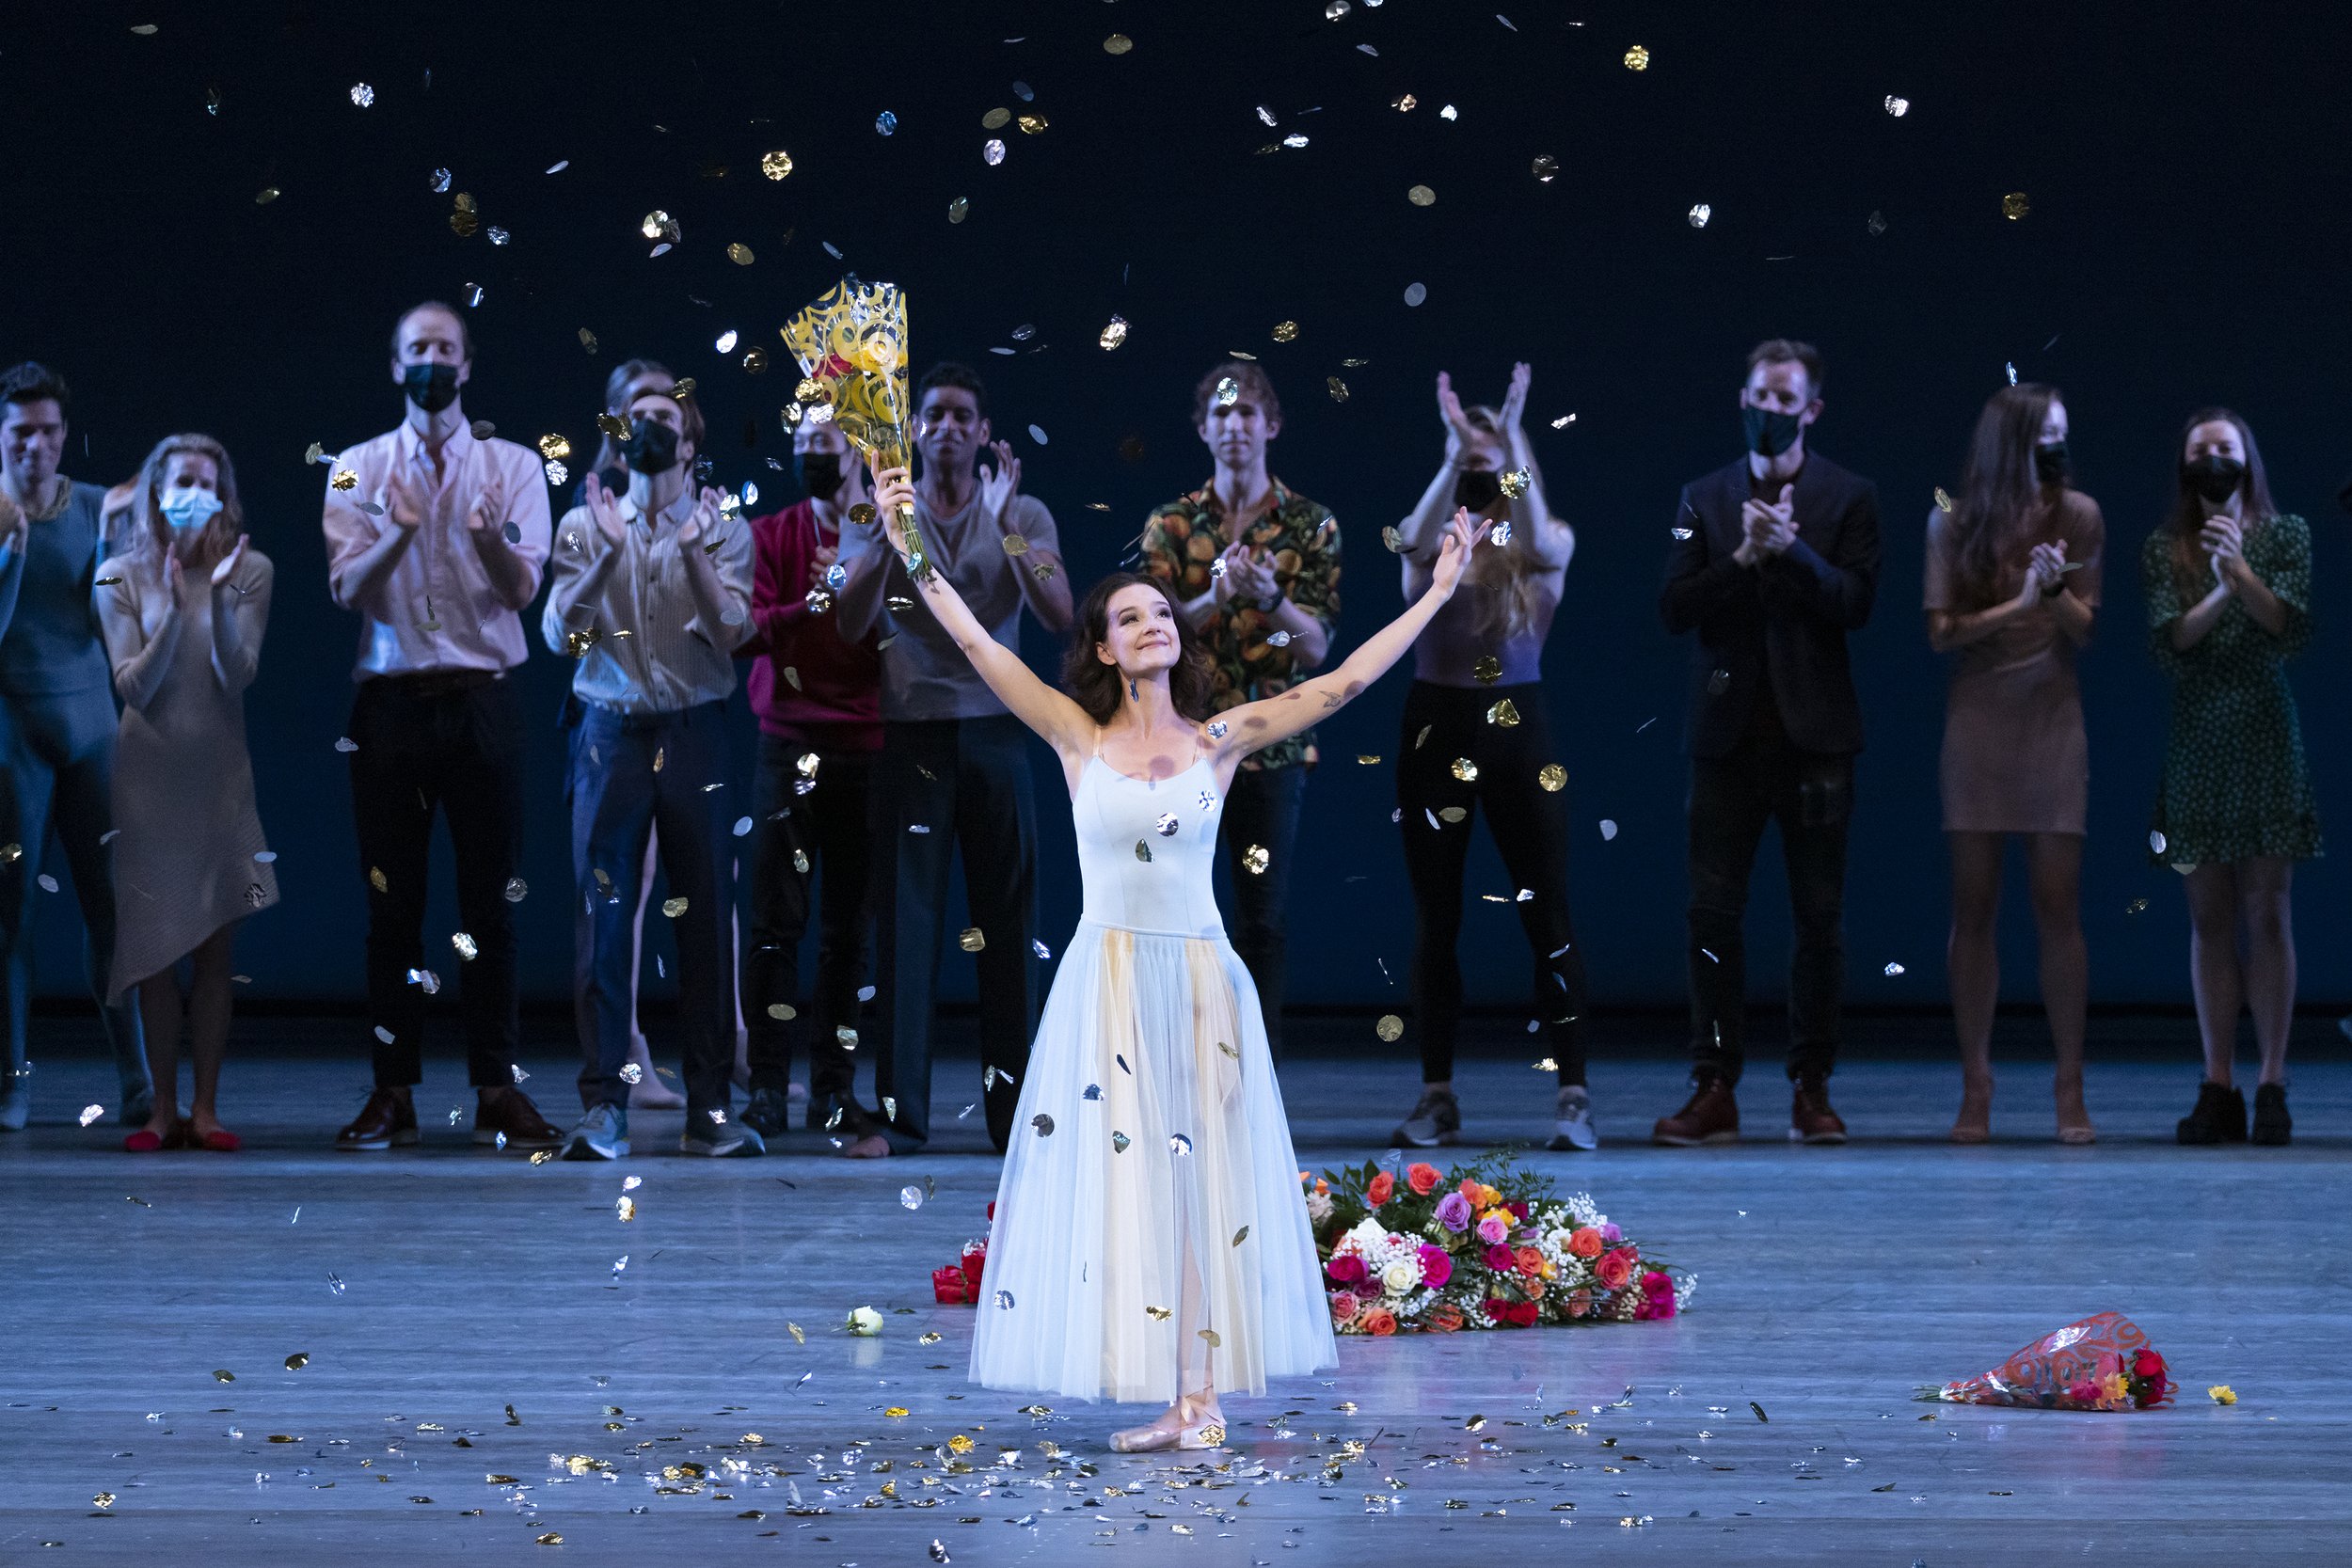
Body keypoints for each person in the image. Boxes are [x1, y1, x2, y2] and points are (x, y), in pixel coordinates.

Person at [867, 455, 1479, 1450]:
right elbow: (975, 638)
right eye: (1132, 616)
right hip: (1106, 978)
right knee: (1133, 1187)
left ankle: (1199, 1396)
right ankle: (1175, 1390)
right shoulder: (1073, 736)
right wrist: (905, 535)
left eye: (1163, 610)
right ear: (1105, 649)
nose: (1154, 622)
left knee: (1200, 1185)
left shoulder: (1219, 739)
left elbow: (1343, 678)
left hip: (1197, 975)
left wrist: (1441, 590)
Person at [322, 303, 560, 1152]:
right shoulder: (353, 467)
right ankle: (394, 1090)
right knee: (393, 909)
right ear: (396, 366)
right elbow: (348, 588)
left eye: (445, 349)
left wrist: (487, 536)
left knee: (491, 904)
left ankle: (497, 1087)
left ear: (466, 365)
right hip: (390, 705)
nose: (431, 361)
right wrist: (398, 531)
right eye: (417, 349)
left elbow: (523, 588)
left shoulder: (515, 466)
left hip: (482, 698)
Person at [832, 363, 1072, 1157]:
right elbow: (848, 622)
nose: (945, 426)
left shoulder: (1024, 507)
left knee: (1009, 926)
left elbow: (1061, 611)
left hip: (999, 732)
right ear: (914, 429)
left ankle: (1018, 1119)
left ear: (981, 432)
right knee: (906, 927)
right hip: (915, 734)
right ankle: (903, 1117)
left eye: (960, 416)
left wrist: (1006, 528)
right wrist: (891, 534)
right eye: (931, 414)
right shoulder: (874, 504)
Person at [1654, 339, 1881, 1147]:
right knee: (1711, 915)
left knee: (1818, 918)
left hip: (1817, 738)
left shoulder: (1849, 496)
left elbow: (1855, 602)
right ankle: (1714, 1083)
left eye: (1786, 400)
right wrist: (1745, 558)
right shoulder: (1704, 497)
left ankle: (1811, 1085)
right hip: (1725, 737)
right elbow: (1676, 606)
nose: (1771, 410)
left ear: (1811, 409)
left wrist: (1794, 553)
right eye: (1760, 394)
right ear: (1741, 396)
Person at [544, 376, 758, 1159]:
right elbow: (557, 636)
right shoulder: (581, 526)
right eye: (637, 419)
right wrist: (604, 554)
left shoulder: (725, 528)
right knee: (604, 918)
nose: (650, 428)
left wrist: (696, 549)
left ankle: (709, 1108)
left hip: (695, 727)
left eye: (666, 418)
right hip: (610, 731)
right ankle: (604, 1106)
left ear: (691, 443)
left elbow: (732, 629)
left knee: (704, 915)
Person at [1383, 365, 1592, 1151]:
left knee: (1549, 910)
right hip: (1435, 726)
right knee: (1437, 917)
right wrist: (1453, 457)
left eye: (1490, 469)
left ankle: (1573, 1093)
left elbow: (1537, 532)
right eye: (1471, 470)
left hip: (1519, 729)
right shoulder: (1428, 553)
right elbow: (1410, 535)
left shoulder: (1541, 546)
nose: (1481, 480)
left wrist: (1508, 443)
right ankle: (1436, 1093)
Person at [1139, 364, 1339, 1058]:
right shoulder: (1170, 524)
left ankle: (1254, 1069)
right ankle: (1171, 1058)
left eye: (1248, 413)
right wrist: (1214, 599)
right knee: (1172, 908)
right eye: (1221, 415)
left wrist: (1271, 600)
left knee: (1261, 920)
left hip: (1270, 749)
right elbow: (1148, 633)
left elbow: (1313, 646)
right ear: (1203, 429)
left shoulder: (1311, 525)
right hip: (1181, 745)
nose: (1235, 426)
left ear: (1271, 425)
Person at [1926, 385, 2103, 1145]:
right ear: (2013, 441)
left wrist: (2055, 593)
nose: (2058, 449)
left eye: (2065, 435)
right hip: (1980, 723)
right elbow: (1941, 634)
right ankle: (1978, 1084)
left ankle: (2070, 1085)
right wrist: (2019, 599)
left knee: (2059, 905)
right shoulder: (1953, 519)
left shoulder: (2081, 515)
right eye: (2046, 436)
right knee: (1974, 907)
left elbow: (2087, 629)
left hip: (2052, 720)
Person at [94, 436, 275, 1151]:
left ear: (224, 495)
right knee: (152, 950)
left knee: (214, 945)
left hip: (219, 780)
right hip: (148, 782)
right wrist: (171, 604)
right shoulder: (116, 575)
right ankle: (160, 1109)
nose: (193, 494)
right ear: (156, 492)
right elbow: (133, 684)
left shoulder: (251, 570)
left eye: (206, 482)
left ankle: (205, 1108)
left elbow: (240, 674)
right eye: (180, 482)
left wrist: (220, 597)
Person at [2143, 408, 2315, 1147]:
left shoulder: (2288, 534)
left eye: (2226, 448)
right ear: (2185, 467)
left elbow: (2291, 627)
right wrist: (2217, 584)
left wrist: (2243, 571)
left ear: (2248, 458)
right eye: (2200, 450)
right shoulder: (2165, 547)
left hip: (2266, 733)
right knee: (2209, 917)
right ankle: (2219, 1083)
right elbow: (2170, 641)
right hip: (2199, 737)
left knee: (2268, 910)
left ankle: (2272, 1080)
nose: (2214, 459)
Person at [0, 362, 150, 1132]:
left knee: (111, 910)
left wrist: (114, 553)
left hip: (90, 726)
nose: (38, 446)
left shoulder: (93, 506)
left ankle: (138, 1079)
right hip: (10, 733)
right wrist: (12, 550)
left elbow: (114, 628)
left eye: (49, 431)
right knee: (9, 916)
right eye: (21, 432)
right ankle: (11, 1083)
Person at [739, 413, 882, 1137]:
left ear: (856, 450)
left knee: (848, 934)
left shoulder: (886, 530)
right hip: (786, 744)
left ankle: (833, 1087)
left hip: (865, 748)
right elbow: (750, 629)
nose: (808, 455)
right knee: (773, 924)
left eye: (822, 444)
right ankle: (766, 1086)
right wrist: (817, 597)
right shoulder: (771, 534)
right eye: (798, 446)